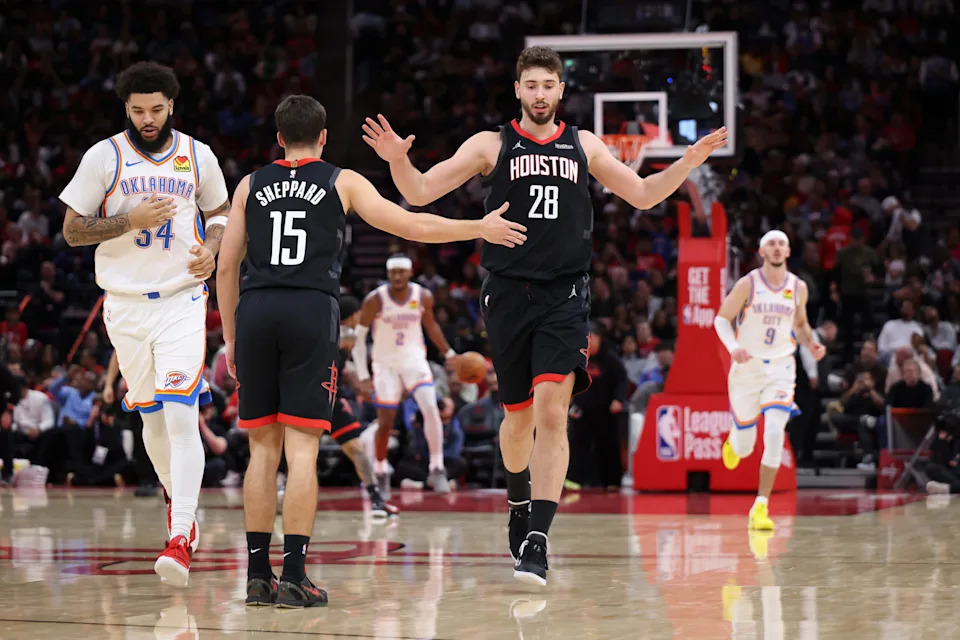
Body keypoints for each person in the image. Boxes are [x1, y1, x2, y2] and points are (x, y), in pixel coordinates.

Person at [362, 45, 727, 585]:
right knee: (518, 418)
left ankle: (537, 537)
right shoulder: (491, 144)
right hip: (507, 294)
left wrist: (688, 161)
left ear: (560, 91)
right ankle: (516, 496)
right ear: (518, 90)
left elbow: (646, 195)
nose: (539, 93)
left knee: (553, 410)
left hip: (565, 295)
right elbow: (419, 192)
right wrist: (397, 159)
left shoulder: (584, 144)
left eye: (547, 85)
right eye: (530, 84)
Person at [216, 94, 525, 608]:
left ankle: (255, 575)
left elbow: (226, 268)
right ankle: (294, 574)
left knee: (262, 451)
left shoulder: (249, 185)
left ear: (278, 140)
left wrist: (229, 336)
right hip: (310, 311)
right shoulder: (342, 181)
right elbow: (411, 225)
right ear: (322, 139)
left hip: (256, 310)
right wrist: (478, 227)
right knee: (303, 450)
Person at [58, 61, 229, 586]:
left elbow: (220, 210)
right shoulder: (103, 156)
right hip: (124, 305)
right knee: (152, 421)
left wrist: (215, 248)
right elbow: (71, 231)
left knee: (180, 415)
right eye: (138, 110)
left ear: (171, 105)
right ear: (125, 108)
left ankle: (179, 537)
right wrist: (129, 221)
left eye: (156, 109)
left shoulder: (197, 155)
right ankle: (182, 505)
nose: (148, 118)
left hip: (180, 300)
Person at [714, 231, 826, 530]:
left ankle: (760, 507)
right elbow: (721, 319)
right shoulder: (748, 283)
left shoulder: (797, 287)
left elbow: (800, 325)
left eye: (781, 244)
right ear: (762, 251)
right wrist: (733, 347)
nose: (776, 249)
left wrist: (811, 342)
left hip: (780, 367)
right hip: (747, 368)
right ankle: (734, 442)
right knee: (745, 448)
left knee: (775, 431)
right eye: (771, 244)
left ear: (788, 251)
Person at [351, 256, 459, 494]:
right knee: (386, 422)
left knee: (431, 407)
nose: (397, 277)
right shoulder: (375, 299)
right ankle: (380, 471)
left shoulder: (422, 296)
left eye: (402, 272)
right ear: (388, 275)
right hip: (385, 364)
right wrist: (363, 376)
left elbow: (431, 327)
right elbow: (359, 339)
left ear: (410, 273)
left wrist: (449, 353)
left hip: (414, 361)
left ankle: (437, 467)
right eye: (393, 273)